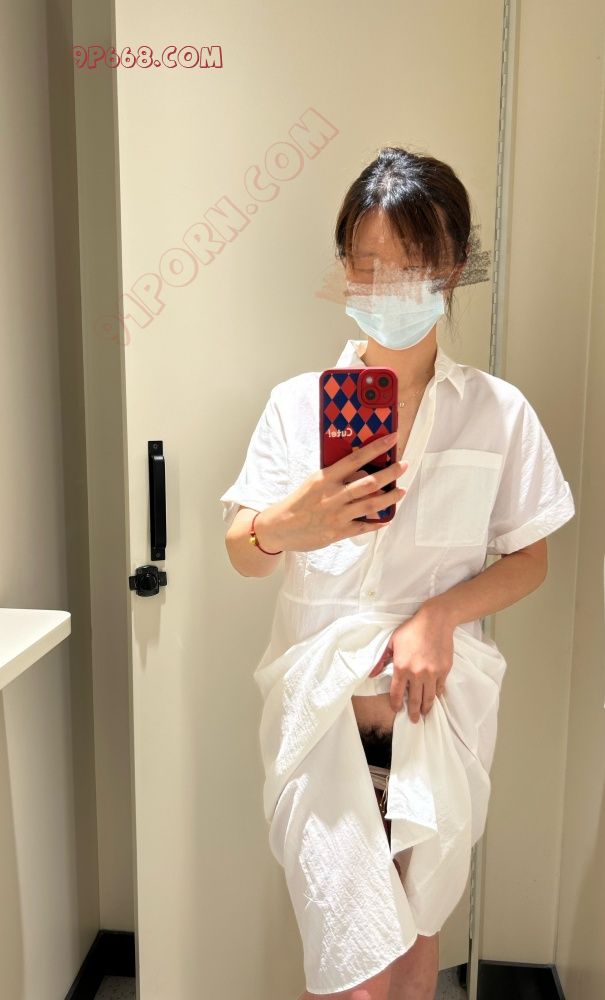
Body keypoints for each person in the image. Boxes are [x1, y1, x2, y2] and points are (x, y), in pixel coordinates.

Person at [219, 146, 575, 1000]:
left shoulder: (496, 413)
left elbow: (529, 558)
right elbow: (240, 552)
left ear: (453, 269)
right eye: (369, 264)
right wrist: (285, 526)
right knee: (352, 975)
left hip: (437, 716)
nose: (390, 286)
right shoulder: (298, 406)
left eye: (414, 265)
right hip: (320, 719)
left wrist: (437, 616)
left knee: (416, 958)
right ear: (344, 268)